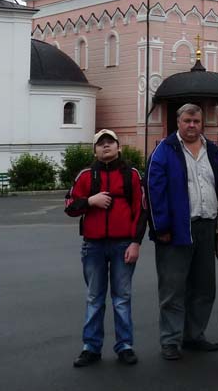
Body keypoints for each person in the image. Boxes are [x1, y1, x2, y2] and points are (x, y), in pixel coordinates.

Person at [147, 104, 218, 361]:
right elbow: (154, 191)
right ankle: (170, 340)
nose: (192, 125)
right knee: (173, 288)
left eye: (196, 121)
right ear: (178, 122)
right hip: (177, 228)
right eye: (187, 121)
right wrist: (162, 228)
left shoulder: (213, 152)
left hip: (207, 226)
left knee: (204, 287)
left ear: (202, 123)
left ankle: (194, 335)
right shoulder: (164, 151)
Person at [65, 129, 147, 367]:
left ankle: (125, 346)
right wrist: (90, 201)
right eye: (101, 144)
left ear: (118, 147)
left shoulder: (131, 174)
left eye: (110, 142)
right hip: (94, 245)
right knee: (94, 298)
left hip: (123, 244)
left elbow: (141, 210)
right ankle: (91, 347)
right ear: (95, 150)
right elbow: (70, 205)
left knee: (122, 298)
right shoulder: (85, 176)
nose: (106, 146)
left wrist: (136, 242)